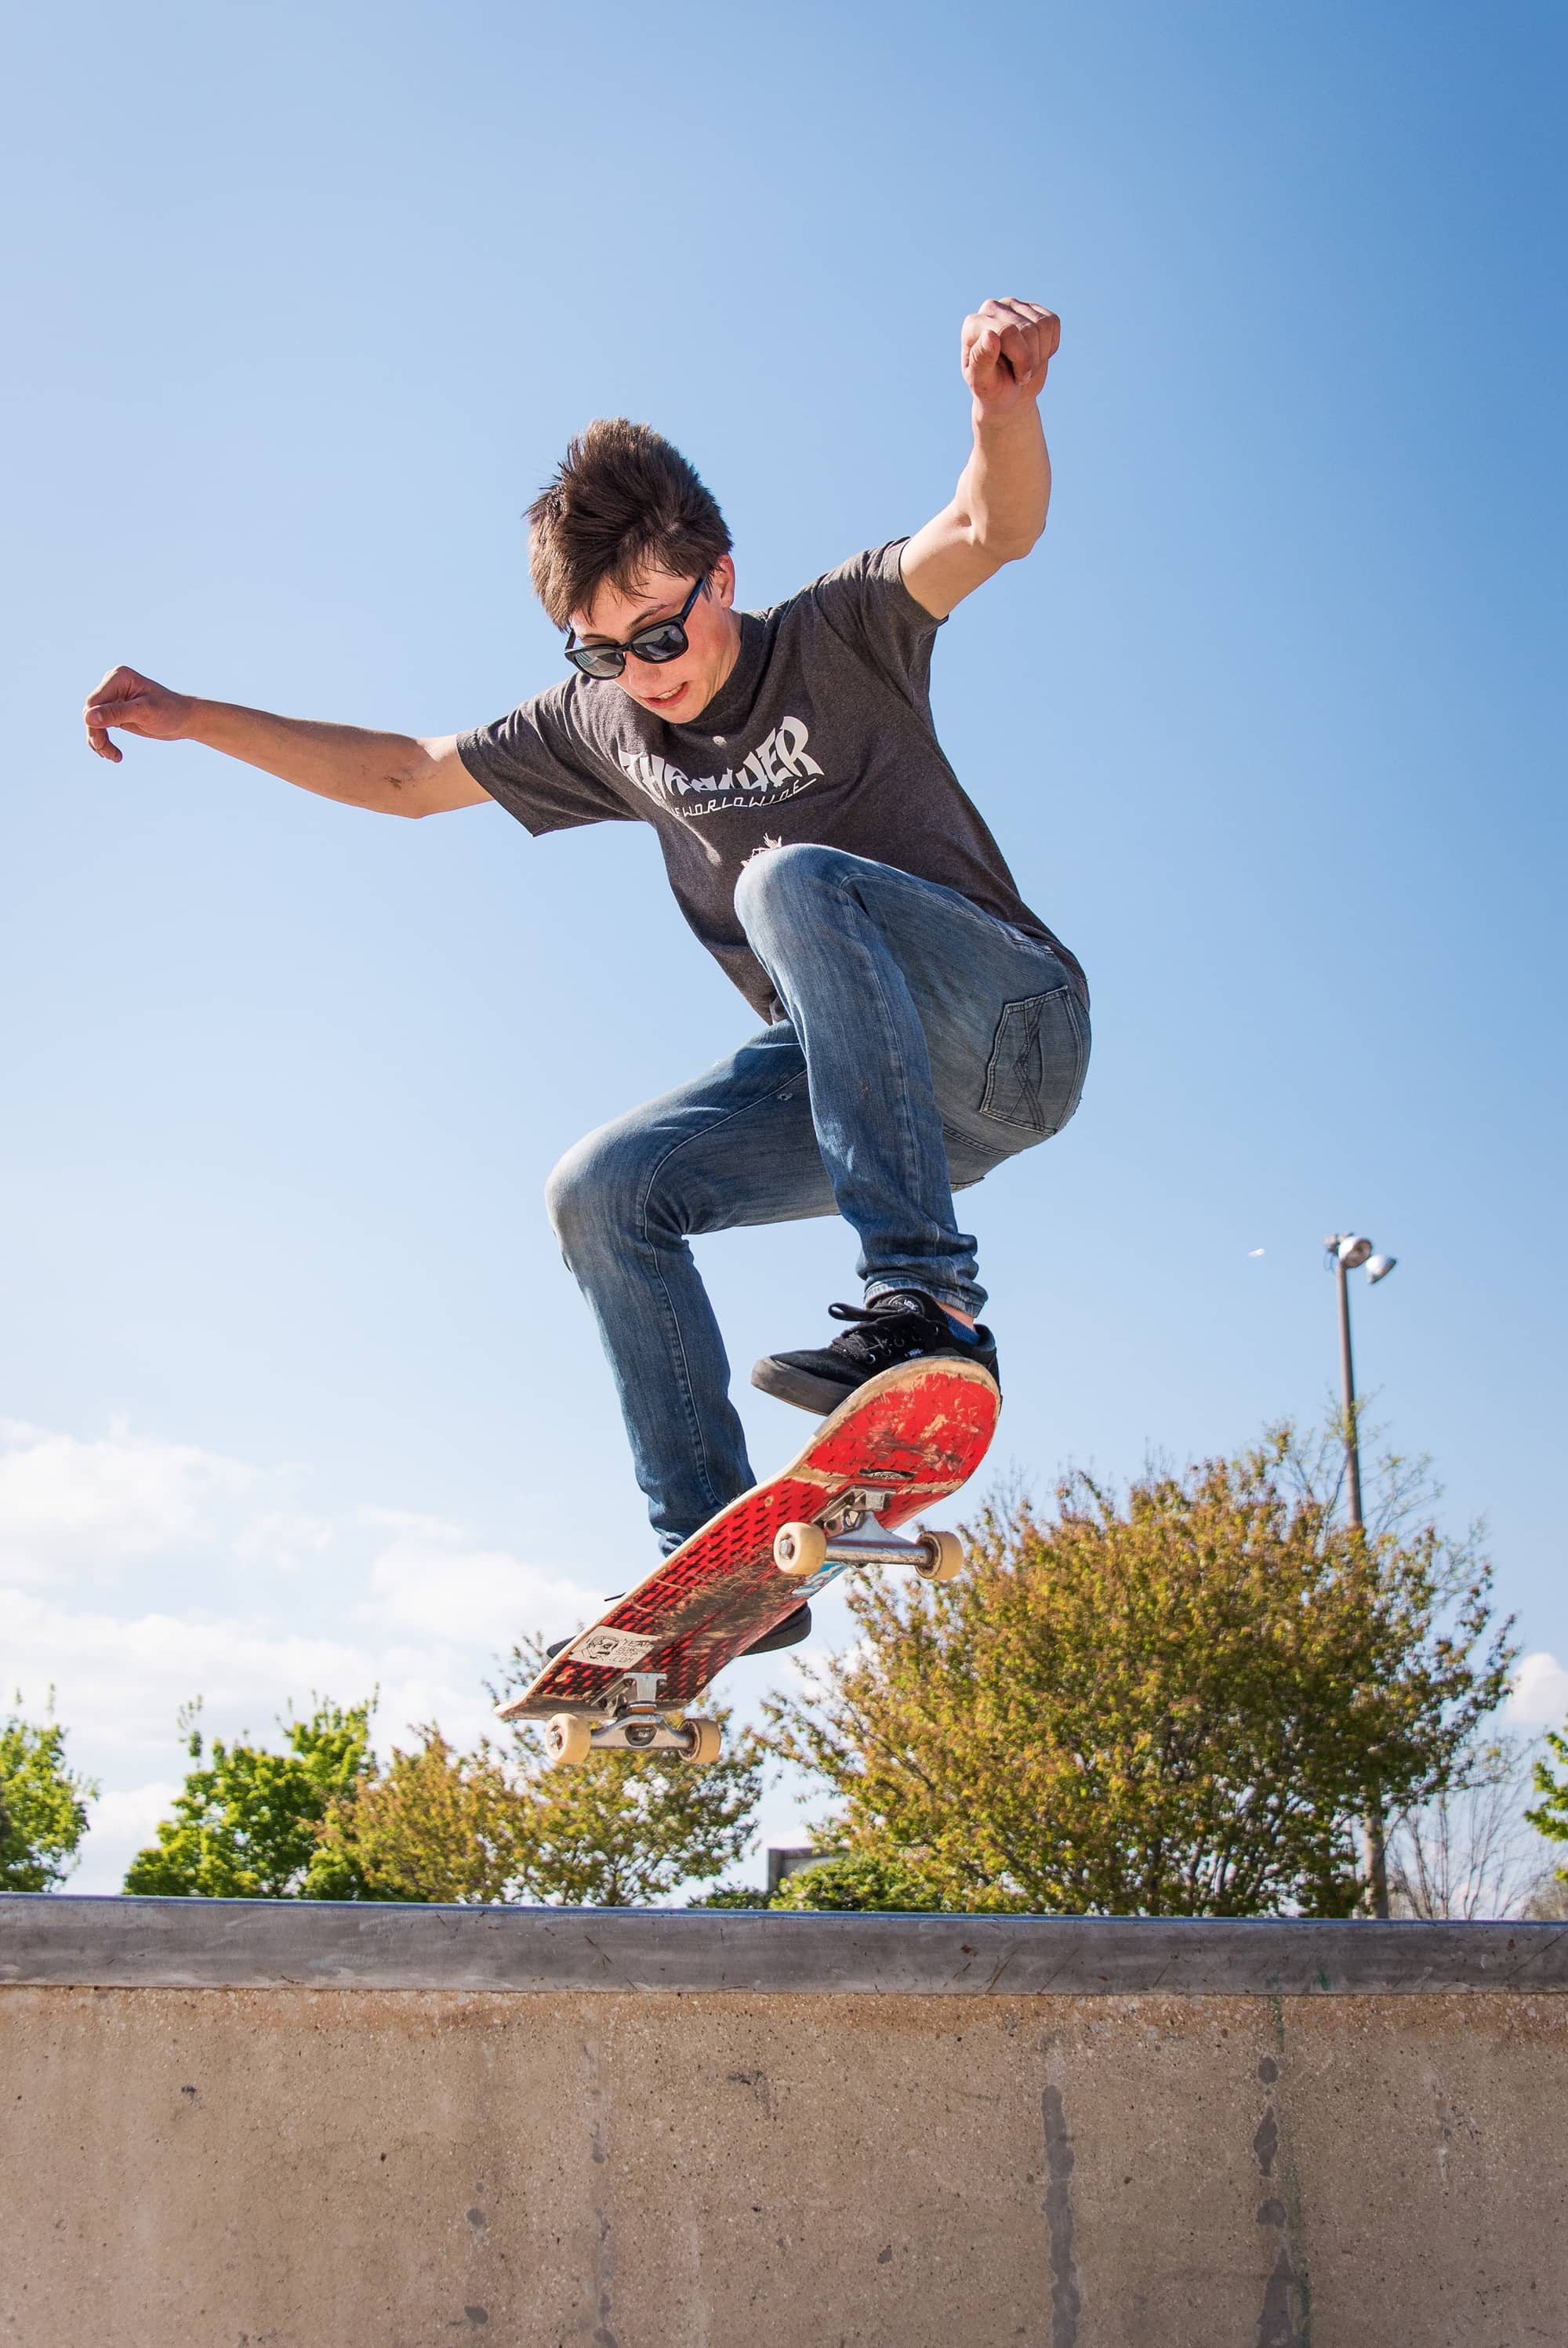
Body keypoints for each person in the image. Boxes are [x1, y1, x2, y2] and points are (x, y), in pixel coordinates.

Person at [82, 296, 1089, 1656]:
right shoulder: (604, 726)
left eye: (659, 637)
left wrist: (1001, 411)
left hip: (1011, 1026)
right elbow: (406, 775)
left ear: (718, 579)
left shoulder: (842, 633)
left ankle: (932, 1308)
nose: (641, 678)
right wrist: (195, 716)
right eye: (602, 653)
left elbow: (989, 529)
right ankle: (718, 1563)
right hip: (882, 1098)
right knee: (602, 1192)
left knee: (784, 877)